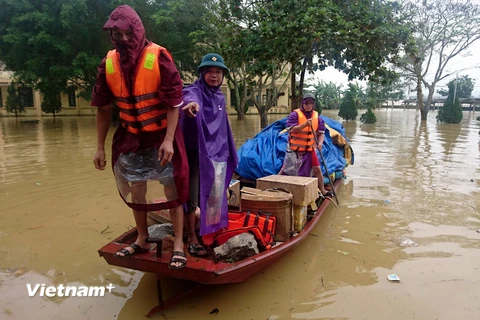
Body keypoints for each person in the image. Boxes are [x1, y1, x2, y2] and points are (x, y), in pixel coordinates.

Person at [92, 5, 189, 269]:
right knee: (137, 188)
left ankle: (178, 243)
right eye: (116, 34)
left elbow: (173, 102)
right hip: (131, 136)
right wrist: (99, 147)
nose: (122, 40)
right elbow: (102, 107)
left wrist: (169, 139)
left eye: (126, 34)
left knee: (172, 187)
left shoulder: (159, 56)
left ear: (136, 30)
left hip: (160, 134)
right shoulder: (109, 62)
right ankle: (143, 238)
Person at [181, 53, 238, 253]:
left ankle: (211, 229)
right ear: (202, 73)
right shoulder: (194, 91)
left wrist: (231, 151)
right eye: (210, 72)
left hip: (215, 152)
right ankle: (191, 237)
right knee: (191, 196)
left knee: (216, 191)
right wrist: (191, 105)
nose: (214, 76)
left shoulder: (220, 96)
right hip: (195, 153)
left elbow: (223, 128)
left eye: (218, 72)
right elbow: (189, 96)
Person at [281, 92, 333, 197]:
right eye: (306, 103)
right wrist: (305, 124)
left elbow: (321, 133)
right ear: (303, 103)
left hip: (309, 149)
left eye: (311, 104)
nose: (308, 106)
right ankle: (277, 185)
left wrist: (320, 143)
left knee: (317, 169)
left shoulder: (317, 117)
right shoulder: (295, 115)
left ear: (313, 104)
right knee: (286, 170)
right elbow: (291, 130)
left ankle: (322, 190)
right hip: (295, 150)